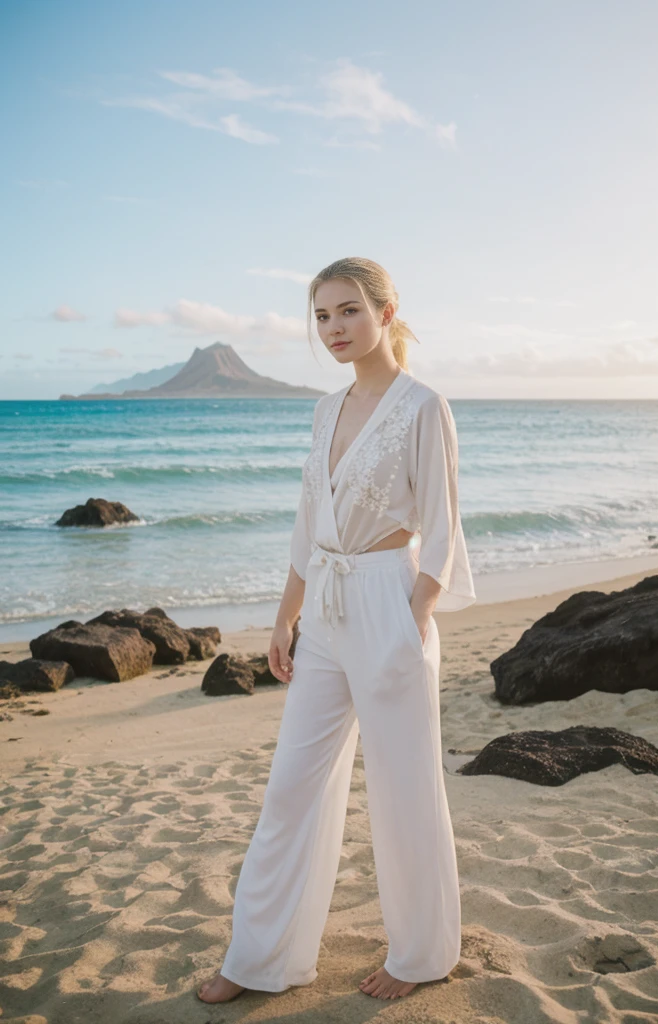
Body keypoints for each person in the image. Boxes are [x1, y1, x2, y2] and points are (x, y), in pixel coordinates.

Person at [197, 256, 476, 1004]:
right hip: (323, 609)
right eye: (321, 316)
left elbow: (444, 537)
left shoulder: (424, 406)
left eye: (348, 310)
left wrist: (412, 619)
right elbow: (307, 529)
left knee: (404, 790)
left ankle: (421, 956)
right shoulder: (325, 410)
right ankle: (259, 960)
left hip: (389, 602)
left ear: (387, 312)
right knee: (290, 790)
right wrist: (285, 618)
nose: (334, 329)